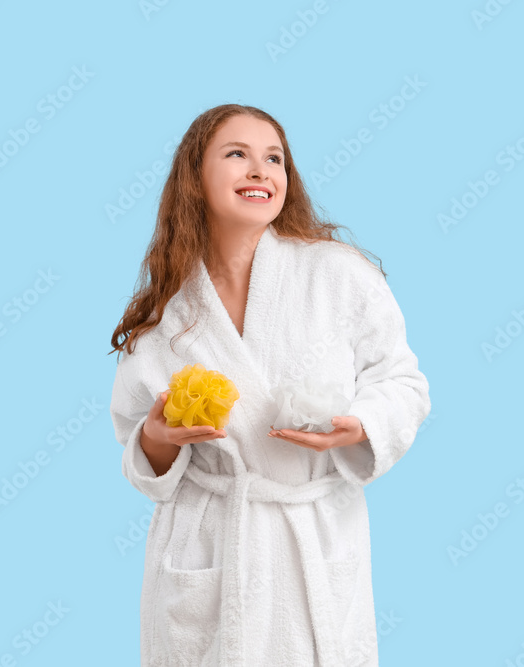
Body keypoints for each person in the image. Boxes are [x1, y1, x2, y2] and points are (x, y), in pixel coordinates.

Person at [107, 103, 430, 666]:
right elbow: (139, 445)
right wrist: (158, 436)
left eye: (274, 158)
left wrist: (363, 426)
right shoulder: (164, 314)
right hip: (210, 543)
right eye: (237, 154)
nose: (260, 170)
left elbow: (401, 380)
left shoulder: (340, 274)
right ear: (195, 177)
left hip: (314, 536)